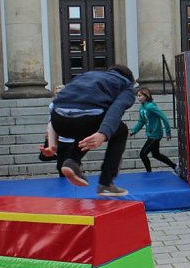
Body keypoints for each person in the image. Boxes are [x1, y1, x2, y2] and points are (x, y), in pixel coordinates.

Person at [39, 64, 136, 196]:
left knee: (86, 123)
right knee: (121, 131)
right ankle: (106, 183)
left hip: (59, 120)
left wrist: (52, 144)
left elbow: (59, 107)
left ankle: (72, 162)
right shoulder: (126, 85)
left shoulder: (86, 76)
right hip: (87, 119)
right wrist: (103, 133)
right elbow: (117, 108)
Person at [131, 87, 177, 173]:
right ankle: (175, 166)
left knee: (143, 154)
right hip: (150, 134)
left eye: (140, 96)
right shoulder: (142, 108)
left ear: (146, 96)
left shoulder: (151, 107)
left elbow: (164, 118)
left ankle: (149, 172)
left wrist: (168, 132)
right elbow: (141, 121)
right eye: (137, 96)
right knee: (156, 155)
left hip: (155, 135)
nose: (138, 98)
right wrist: (133, 131)